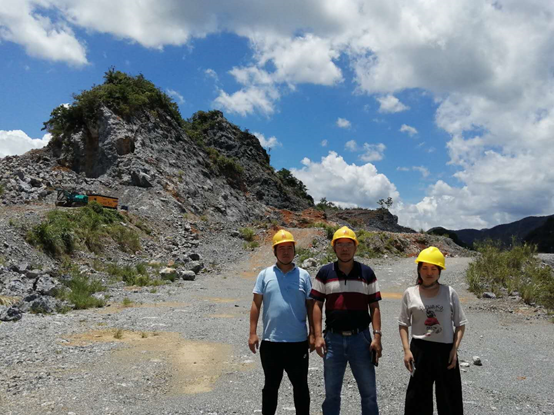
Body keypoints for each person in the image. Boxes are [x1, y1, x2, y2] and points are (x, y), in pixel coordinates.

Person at [311, 226, 382, 415]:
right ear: (334, 248)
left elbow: (374, 306)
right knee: (331, 395)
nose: (344, 249)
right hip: (332, 340)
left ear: (355, 247)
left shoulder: (367, 273)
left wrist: (377, 337)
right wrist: (318, 336)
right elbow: (317, 305)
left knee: (369, 394)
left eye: (349, 244)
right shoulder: (324, 273)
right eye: (340, 244)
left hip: (361, 339)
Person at [249, 229, 314, 415]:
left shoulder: (304, 275)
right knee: (270, 387)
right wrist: (252, 333)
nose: (286, 252)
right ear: (275, 251)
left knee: (301, 387)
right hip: (271, 343)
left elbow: (311, 307)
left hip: (298, 343)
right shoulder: (264, 275)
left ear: (294, 250)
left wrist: (313, 334)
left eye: (289, 248)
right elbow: (256, 304)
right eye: (281, 248)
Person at [398, 246, 468, 415]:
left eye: (433, 269)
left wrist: (454, 350)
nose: (429, 273)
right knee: (418, 399)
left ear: (439, 271)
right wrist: (407, 350)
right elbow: (403, 323)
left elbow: (460, 324)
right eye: (425, 268)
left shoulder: (449, 292)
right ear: (419, 269)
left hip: (445, 350)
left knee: (449, 398)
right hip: (420, 349)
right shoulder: (410, 293)